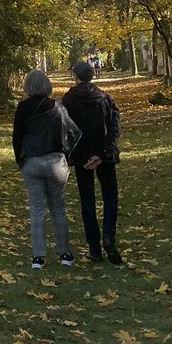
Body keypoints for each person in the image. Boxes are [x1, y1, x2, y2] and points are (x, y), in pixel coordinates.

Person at [12, 70, 81, 271]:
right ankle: (65, 253)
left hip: (32, 163)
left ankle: (38, 257)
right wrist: (67, 156)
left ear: (28, 86)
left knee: (36, 210)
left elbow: (17, 138)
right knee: (58, 208)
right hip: (55, 162)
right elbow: (73, 132)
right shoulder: (57, 107)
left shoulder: (23, 108)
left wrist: (21, 160)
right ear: (47, 85)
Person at [62, 60, 122, 265]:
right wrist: (102, 153)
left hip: (82, 158)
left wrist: (84, 155)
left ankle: (94, 248)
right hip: (105, 157)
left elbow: (68, 132)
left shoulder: (68, 100)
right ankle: (109, 237)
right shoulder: (105, 98)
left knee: (87, 200)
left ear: (76, 77)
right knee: (110, 197)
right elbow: (114, 128)